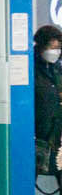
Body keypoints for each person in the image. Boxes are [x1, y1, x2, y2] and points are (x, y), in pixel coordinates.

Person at [33, 24, 62, 183]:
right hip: (38, 136)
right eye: (52, 47)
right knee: (29, 178)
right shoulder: (31, 70)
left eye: (58, 48)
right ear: (41, 46)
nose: (55, 52)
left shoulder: (58, 70)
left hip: (58, 137)